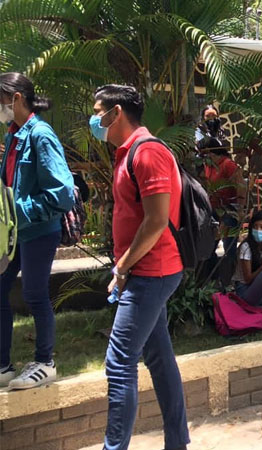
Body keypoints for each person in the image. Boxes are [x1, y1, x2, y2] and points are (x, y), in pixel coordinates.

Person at [91, 84, 188, 450]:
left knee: (119, 364)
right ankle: (177, 443)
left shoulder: (147, 154)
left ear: (116, 113)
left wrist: (122, 266)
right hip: (146, 270)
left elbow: (157, 221)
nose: (94, 119)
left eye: (98, 111)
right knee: (159, 358)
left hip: (152, 271)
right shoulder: (129, 153)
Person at [0, 73, 74, 389]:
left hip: (38, 231)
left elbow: (63, 193)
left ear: (15, 99)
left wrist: (19, 211)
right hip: (14, 233)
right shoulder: (14, 135)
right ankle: (3, 365)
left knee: (34, 294)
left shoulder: (41, 136)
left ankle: (45, 362)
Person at [199, 136, 245, 282]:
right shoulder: (208, 167)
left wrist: (240, 208)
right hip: (213, 211)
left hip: (229, 210)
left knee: (228, 246)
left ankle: (231, 279)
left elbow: (241, 186)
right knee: (210, 245)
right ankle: (213, 279)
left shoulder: (228, 165)